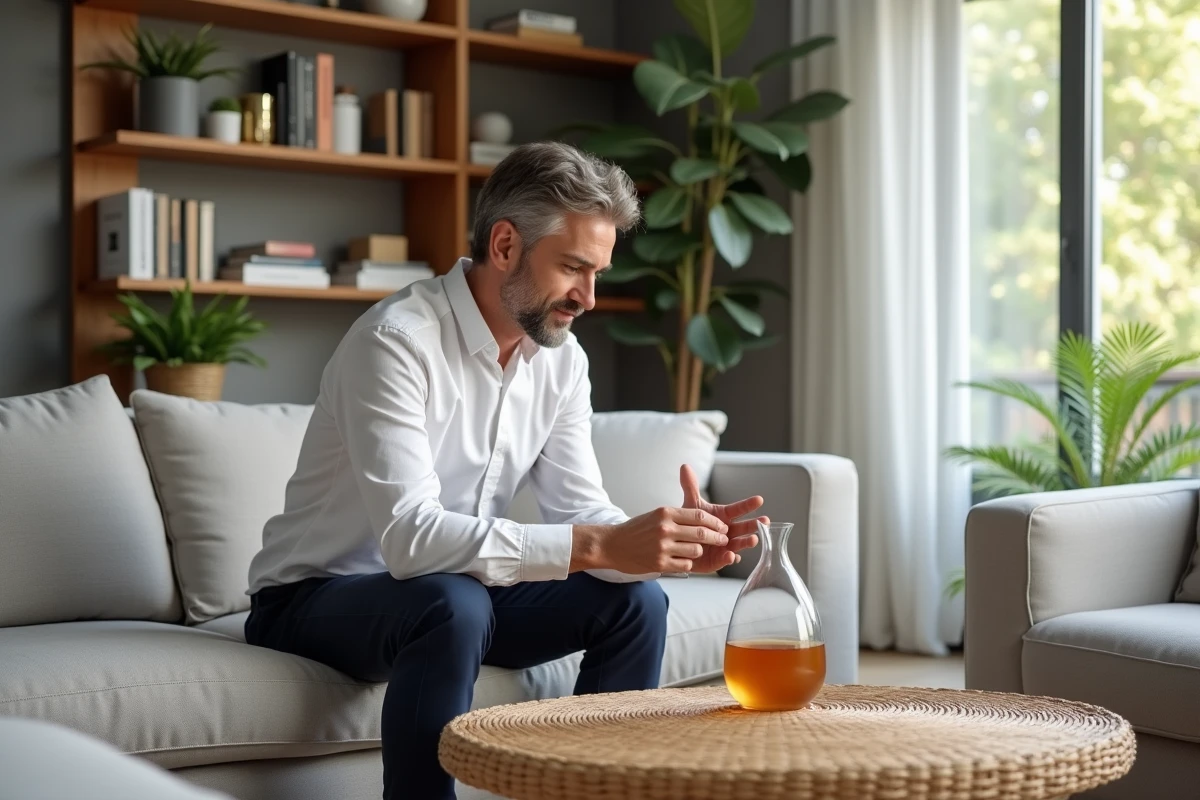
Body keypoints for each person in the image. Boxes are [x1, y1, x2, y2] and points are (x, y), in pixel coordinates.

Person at [243, 141, 766, 799]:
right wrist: (598, 544)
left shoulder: (561, 361)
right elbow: (411, 541)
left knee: (635, 601)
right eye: (574, 267)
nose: (589, 296)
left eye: (598, 273)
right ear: (504, 246)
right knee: (449, 601)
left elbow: (580, 509)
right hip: (316, 596)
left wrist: (659, 549)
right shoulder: (396, 342)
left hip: (455, 588)